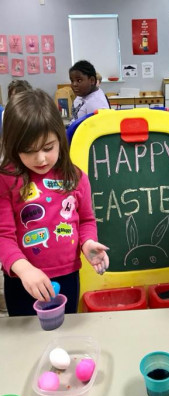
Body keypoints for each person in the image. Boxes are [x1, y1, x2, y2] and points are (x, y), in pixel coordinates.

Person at [0, 89, 109, 316]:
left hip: (67, 275)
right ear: (12, 147)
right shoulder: (6, 180)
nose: (40, 159)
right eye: (28, 151)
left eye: (48, 148)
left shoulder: (76, 178)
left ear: (60, 138)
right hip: (23, 279)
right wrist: (24, 270)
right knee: (25, 340)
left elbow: (86, 220)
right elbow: (3, 236)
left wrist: (87, 242)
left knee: (64, 335)